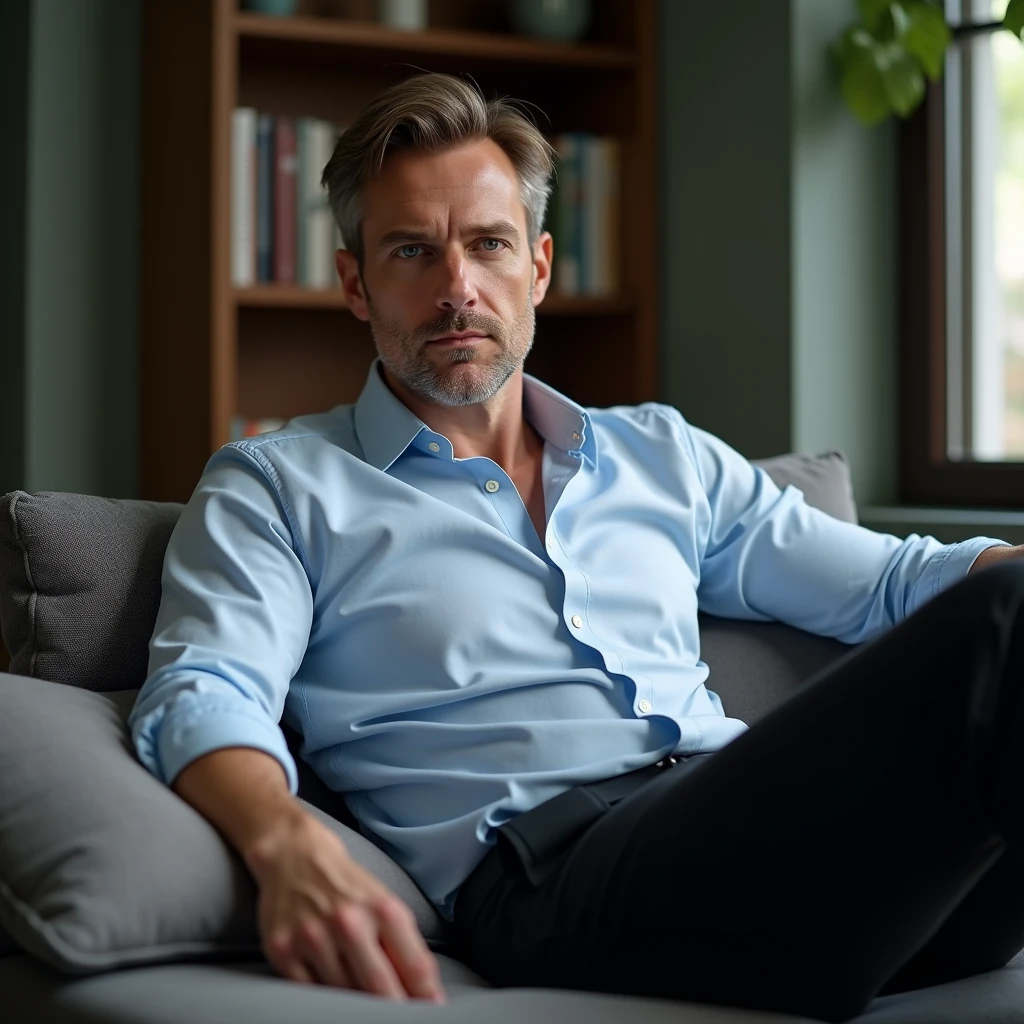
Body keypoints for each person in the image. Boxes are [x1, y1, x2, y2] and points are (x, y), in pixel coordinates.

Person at [127, 72, 1024, 1023]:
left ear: (540, 267)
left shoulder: (661, 454)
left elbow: (895, 582)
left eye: (488, 245)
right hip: (558, 885)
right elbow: (206, 690)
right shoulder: (279, 483)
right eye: (410, 252)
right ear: (355, 283)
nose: (457, 289)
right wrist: (284, 845)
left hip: (791, 863)